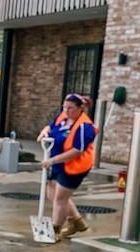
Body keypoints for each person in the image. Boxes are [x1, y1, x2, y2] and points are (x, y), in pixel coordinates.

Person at [36, 93, 98, 241]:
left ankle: (55, 229)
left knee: (60, 199)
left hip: (74, 167)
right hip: (58, 164)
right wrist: (44, 131)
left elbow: (77, 150)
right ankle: (77, 221)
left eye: (70, 108)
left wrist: (52, 160)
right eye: (65, 107)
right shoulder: (62, 117)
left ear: (80, 108)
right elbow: (50, 126)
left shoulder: (85, 127)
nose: (67, 111)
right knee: (52, 194)